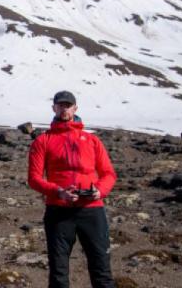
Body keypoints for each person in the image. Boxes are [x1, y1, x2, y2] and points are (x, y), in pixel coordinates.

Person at [27, 90, 117, 288]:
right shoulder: (43, 140)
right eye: (60, 105)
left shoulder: (92, 140)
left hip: (92, 209)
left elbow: (108, 174)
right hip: (59, 211)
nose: (64, 109)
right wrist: (58, 191)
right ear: (54, 108)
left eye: (68, 105)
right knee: (59, 272)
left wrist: (99, 191)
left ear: (75, 108)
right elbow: (33, 178)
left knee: (101, 268)